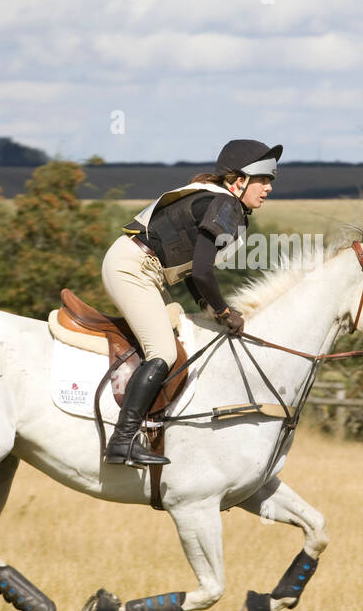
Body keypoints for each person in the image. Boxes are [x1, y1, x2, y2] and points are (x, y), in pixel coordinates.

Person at [100, 139, 281, 468]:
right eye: (263, 179)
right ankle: (122, 441)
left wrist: (212, 310)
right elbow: (201, 272)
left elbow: (188, 272)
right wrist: (224, 312)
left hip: (143, 269)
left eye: (271, 180)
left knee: (182, 341)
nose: (268, 188)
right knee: (164, 353)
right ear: (238, 180)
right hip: (134, 268)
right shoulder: (225, 206)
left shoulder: (219, 200)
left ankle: (156, 429)